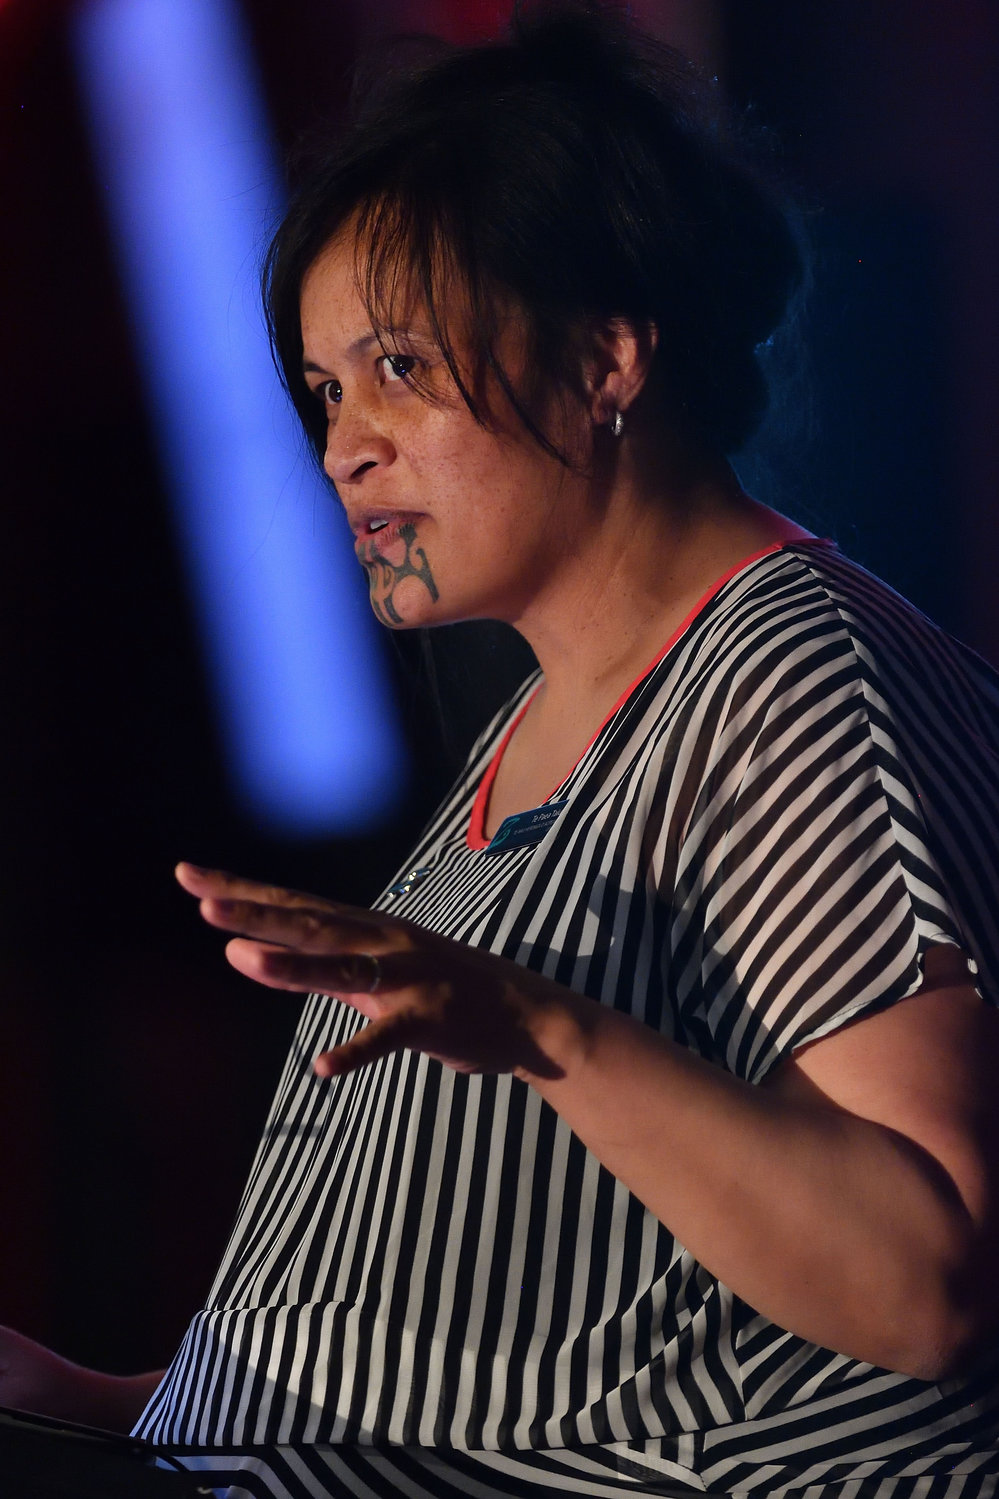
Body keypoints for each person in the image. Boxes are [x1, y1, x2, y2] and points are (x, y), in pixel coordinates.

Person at [3, 5, 999, 1496]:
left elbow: (926, 1278)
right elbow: (477, 1367)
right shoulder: (529, 736)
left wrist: (538, 1025)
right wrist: (96, 1407)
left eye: (400, 366)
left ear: (607, 355)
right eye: (327, 390)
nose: (344, 446)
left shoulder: (790, 676)